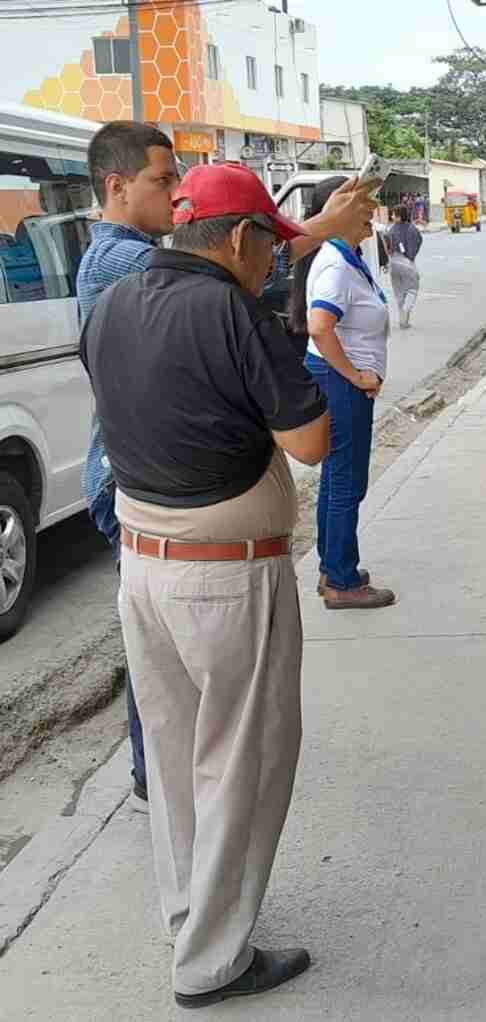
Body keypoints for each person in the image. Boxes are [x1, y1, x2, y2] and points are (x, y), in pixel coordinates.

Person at [79, 164, 331, 1009]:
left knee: (182, 759)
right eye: (270, 245)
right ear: (235, 238)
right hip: (225, 581)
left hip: (143, 567)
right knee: (242, 762)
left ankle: (191, 912)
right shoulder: (233, 310)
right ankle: (213, 961)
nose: (274, 263)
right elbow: (310, 442)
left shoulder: (115, 299)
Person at [76, 122, 376, 804]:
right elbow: (218, 275)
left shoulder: (146, 264)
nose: (176, 192)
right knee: (174, 668)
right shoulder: (123, 265)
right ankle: (165, 782)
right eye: (162, 180)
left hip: (161, 472)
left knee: (178, 663)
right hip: (157, 482)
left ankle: (175, 784)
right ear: (117, 187)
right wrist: (320, 227)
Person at [290, 176, 396, 610]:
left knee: (340, 479)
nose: (371, 211)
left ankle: (331, 566)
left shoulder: (345, 256)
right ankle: (341, 579)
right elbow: (320, 326)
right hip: (338, 383)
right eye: (362, 204)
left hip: (339, 381)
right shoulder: (334, 263)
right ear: (336, 213)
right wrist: (354, 375)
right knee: (346, 482)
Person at [387, 205, 422, 329]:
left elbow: (387, 246)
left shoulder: (391, 230)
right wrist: (410, 257)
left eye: (393, 214)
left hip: (393, 263)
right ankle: (406, 312)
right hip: (406, 262)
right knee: (413, 288)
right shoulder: (412, 229)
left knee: (399, 293)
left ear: (399, 216)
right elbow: (418, 242)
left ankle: (403, 320)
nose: (391, 216)